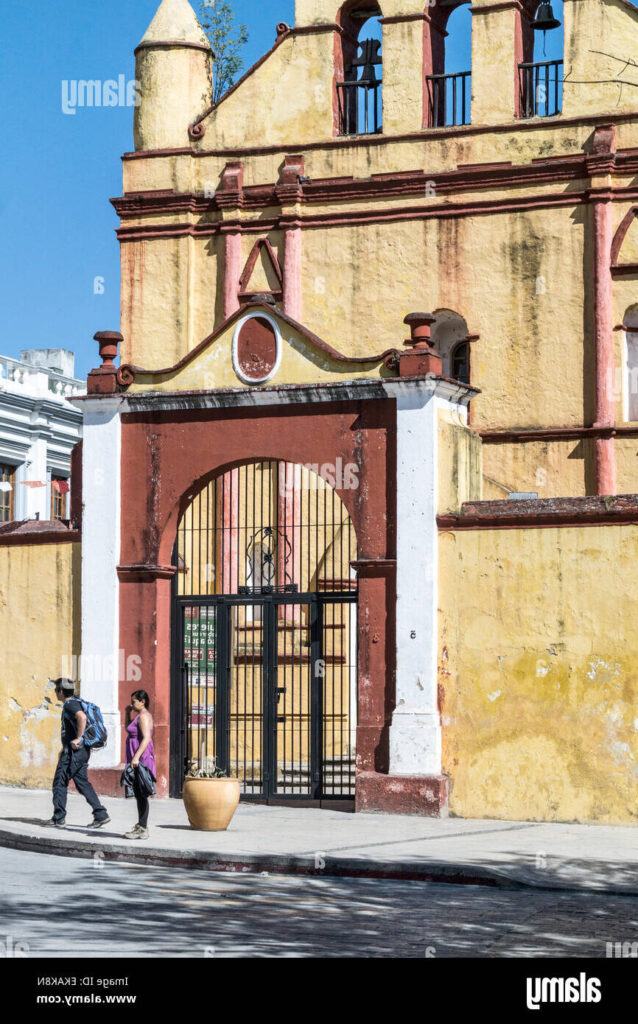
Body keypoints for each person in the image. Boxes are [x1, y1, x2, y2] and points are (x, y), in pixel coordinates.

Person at [49, 679, 110, 829]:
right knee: (82, 782)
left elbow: (81, 717)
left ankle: (59, 818)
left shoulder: (70, 704)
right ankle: (101, 814)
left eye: (56, 690)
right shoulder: (76, 701)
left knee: (60, 782)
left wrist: (79, 738)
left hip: (74, 752)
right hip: (80, 751)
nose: (55, 693)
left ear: (61, 692)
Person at [123, 690, 156, 840]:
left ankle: (143, 828)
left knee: (141, 793)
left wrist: (136, 758)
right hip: (136, 756)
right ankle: (141, 825)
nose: (132, 704)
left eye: (134, 701)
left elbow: (147, 738)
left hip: (141, 758)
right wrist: (127, 713)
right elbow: (128, 729)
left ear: (143, 701)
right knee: (138, 792)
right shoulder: (138, 716)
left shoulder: (144, 717)